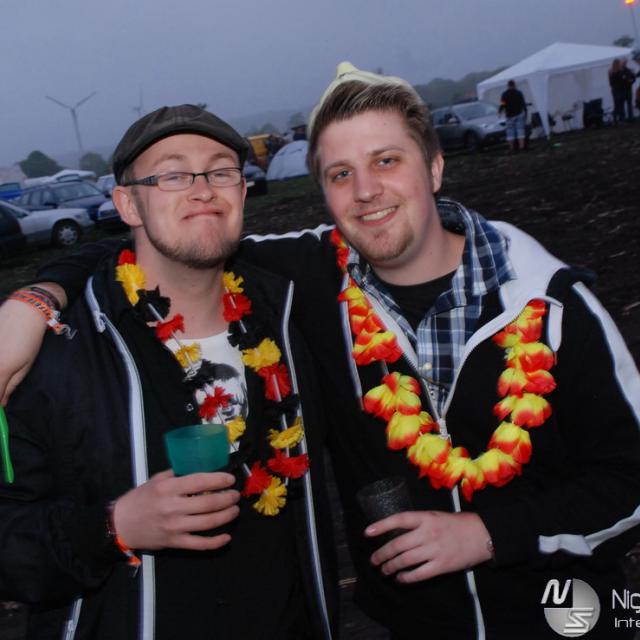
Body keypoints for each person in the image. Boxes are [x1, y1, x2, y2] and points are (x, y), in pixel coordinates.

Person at [2, 63, 640, 638]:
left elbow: (628, 477)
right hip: (415, 625)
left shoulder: (549, 301)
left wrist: (489, 533)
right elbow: (174, 241)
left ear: (435, 168)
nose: (366, 191)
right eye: (340, 174)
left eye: (386, 160)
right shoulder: (309, 283)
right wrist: (38, 298)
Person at [0, 105, 337, 639]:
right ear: (127, 204)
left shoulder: (291, 312)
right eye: (173, 175)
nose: (203, 190)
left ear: (242, 191)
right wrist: (112, 527)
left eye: (220, 171)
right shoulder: (52, 350)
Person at [499, 79, 528, 151]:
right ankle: (521, 147)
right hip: (519, 114)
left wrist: (500, 111)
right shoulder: (519, 93)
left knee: (510, 133)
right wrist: (525, 112)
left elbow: (502, 104)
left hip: (509, 115)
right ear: (514, 85)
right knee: (520, 131)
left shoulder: (504, 94)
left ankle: (511, 148)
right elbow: (523, 103)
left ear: (508, 86)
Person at [609, 58, 626, 124]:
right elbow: (613, 81)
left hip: (617, 89)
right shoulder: (614, 71)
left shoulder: (613, 71)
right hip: (617, 90)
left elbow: (611, 82)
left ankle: (619, 119)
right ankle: (617, 119)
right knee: (618, 105)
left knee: (619, 104)